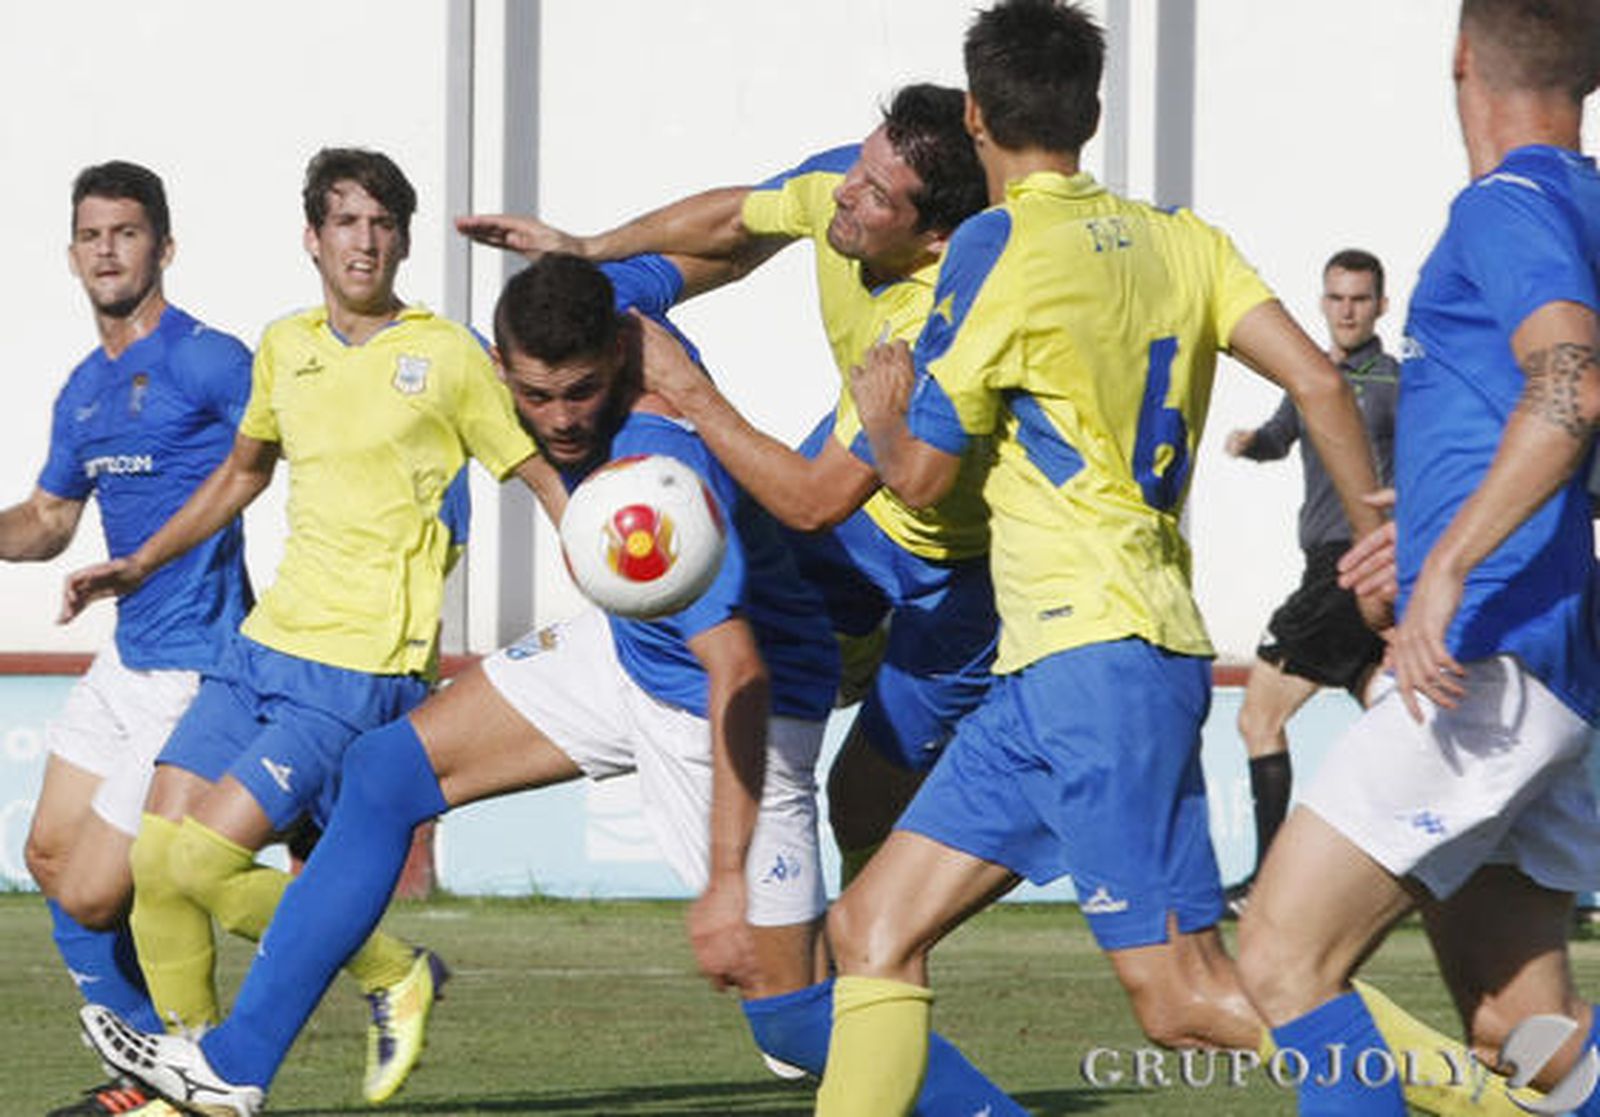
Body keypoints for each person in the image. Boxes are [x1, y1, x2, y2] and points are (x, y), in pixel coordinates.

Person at [806, 4, 1546, 1116]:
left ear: (973, 117)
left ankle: (1495, 1104)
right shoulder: (1180, 238)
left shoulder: (994, 247)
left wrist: (886, 407)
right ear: (1091, 113)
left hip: (1092, 661)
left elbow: (916, 480)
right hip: (1066, 662)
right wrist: (1373, 536)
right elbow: (1316, 382)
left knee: (1189, 997)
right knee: (868, 930)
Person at [76, 254, 1022, 1117]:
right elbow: (699, 239)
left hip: (734, 714)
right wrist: (554, 240)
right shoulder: (618, 310)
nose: (562, 417)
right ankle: (232, 1068)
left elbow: (735, 667)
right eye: (537, 394)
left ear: (618, 356)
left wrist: (726, 885)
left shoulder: (651, 476)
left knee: (788, 1020)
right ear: (501, 366)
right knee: (381, 775)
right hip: (624, 652)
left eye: (581, 393)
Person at [61, 147, 562, 1107]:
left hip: (360, 665)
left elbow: (536, 472)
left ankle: (391, 968)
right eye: (346, 222)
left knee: (202, 860)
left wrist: (623, 581)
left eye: (382, 224)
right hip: (263, 647)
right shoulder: (285, 345)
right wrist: (141, 559)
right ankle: (192, 1081)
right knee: (156, 867)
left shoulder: (448, 356)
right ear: (313, 238)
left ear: (404, 240)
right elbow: (244, 472)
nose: (364, 241)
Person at [457, 85, 998, 888]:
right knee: (760, 665)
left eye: (877, 193)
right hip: (849, 522)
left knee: (858, 804)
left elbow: (815, 497)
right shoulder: (851, 189)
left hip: (953, 570)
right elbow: (736, 228)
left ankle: (872, 943)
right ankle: (810, 933)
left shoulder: (939, 320)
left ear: (933, 238)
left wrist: (694, 394)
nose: (846, 189)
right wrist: (589, 251)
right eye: (860, 163)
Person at [1237, 1, 1600, 1113]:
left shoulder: (1505, 204)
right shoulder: (1588, 206)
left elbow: (1570, 383)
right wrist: (1443, 515)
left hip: (1479, 652)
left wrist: (1448, 564)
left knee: (1276, 961)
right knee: (1518, 1027)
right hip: (1549, 663)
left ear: (1459, 58)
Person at [1, 161, 253, 1117]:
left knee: (101, 892)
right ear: (73, 256)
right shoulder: (82, 391)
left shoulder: (209, 358)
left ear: (165, 247)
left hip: (199, 663)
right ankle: (150, 1081)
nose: (109, 250)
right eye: (92, 236)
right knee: (51, 863)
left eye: (127, 232)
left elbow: (278, 447)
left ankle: (179, 1074)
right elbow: (49, 519)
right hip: (125, 654)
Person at [1222, 248, 1398, 907]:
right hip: (1333, 567)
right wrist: (1250, 442)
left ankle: (1267, 882)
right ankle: (1442, 867)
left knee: (1258, 714)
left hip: (1347, 568)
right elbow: (1279, 434)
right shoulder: (1310, 378)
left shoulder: (1395, 383)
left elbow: (1426, 465)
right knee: (1394, 711)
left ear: (1381, 304)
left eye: (1359, 298)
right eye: (1336, 298)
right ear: (1322, 302)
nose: (1346, 310)